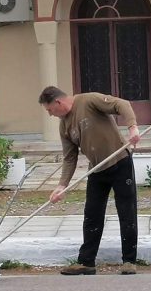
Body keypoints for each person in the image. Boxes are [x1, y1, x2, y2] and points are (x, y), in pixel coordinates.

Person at [39, 86, 141, 275]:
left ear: (58, 102)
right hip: (97, 170)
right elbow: (70, 158)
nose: (51, 115)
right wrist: (62, 186)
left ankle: (129, 261)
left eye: (49, 110)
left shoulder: (89, 100)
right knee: (92, 215)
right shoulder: (64, 126)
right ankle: (86, 262)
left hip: (120, 163)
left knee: (126, 212)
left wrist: (132, 127)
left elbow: (122, 104)